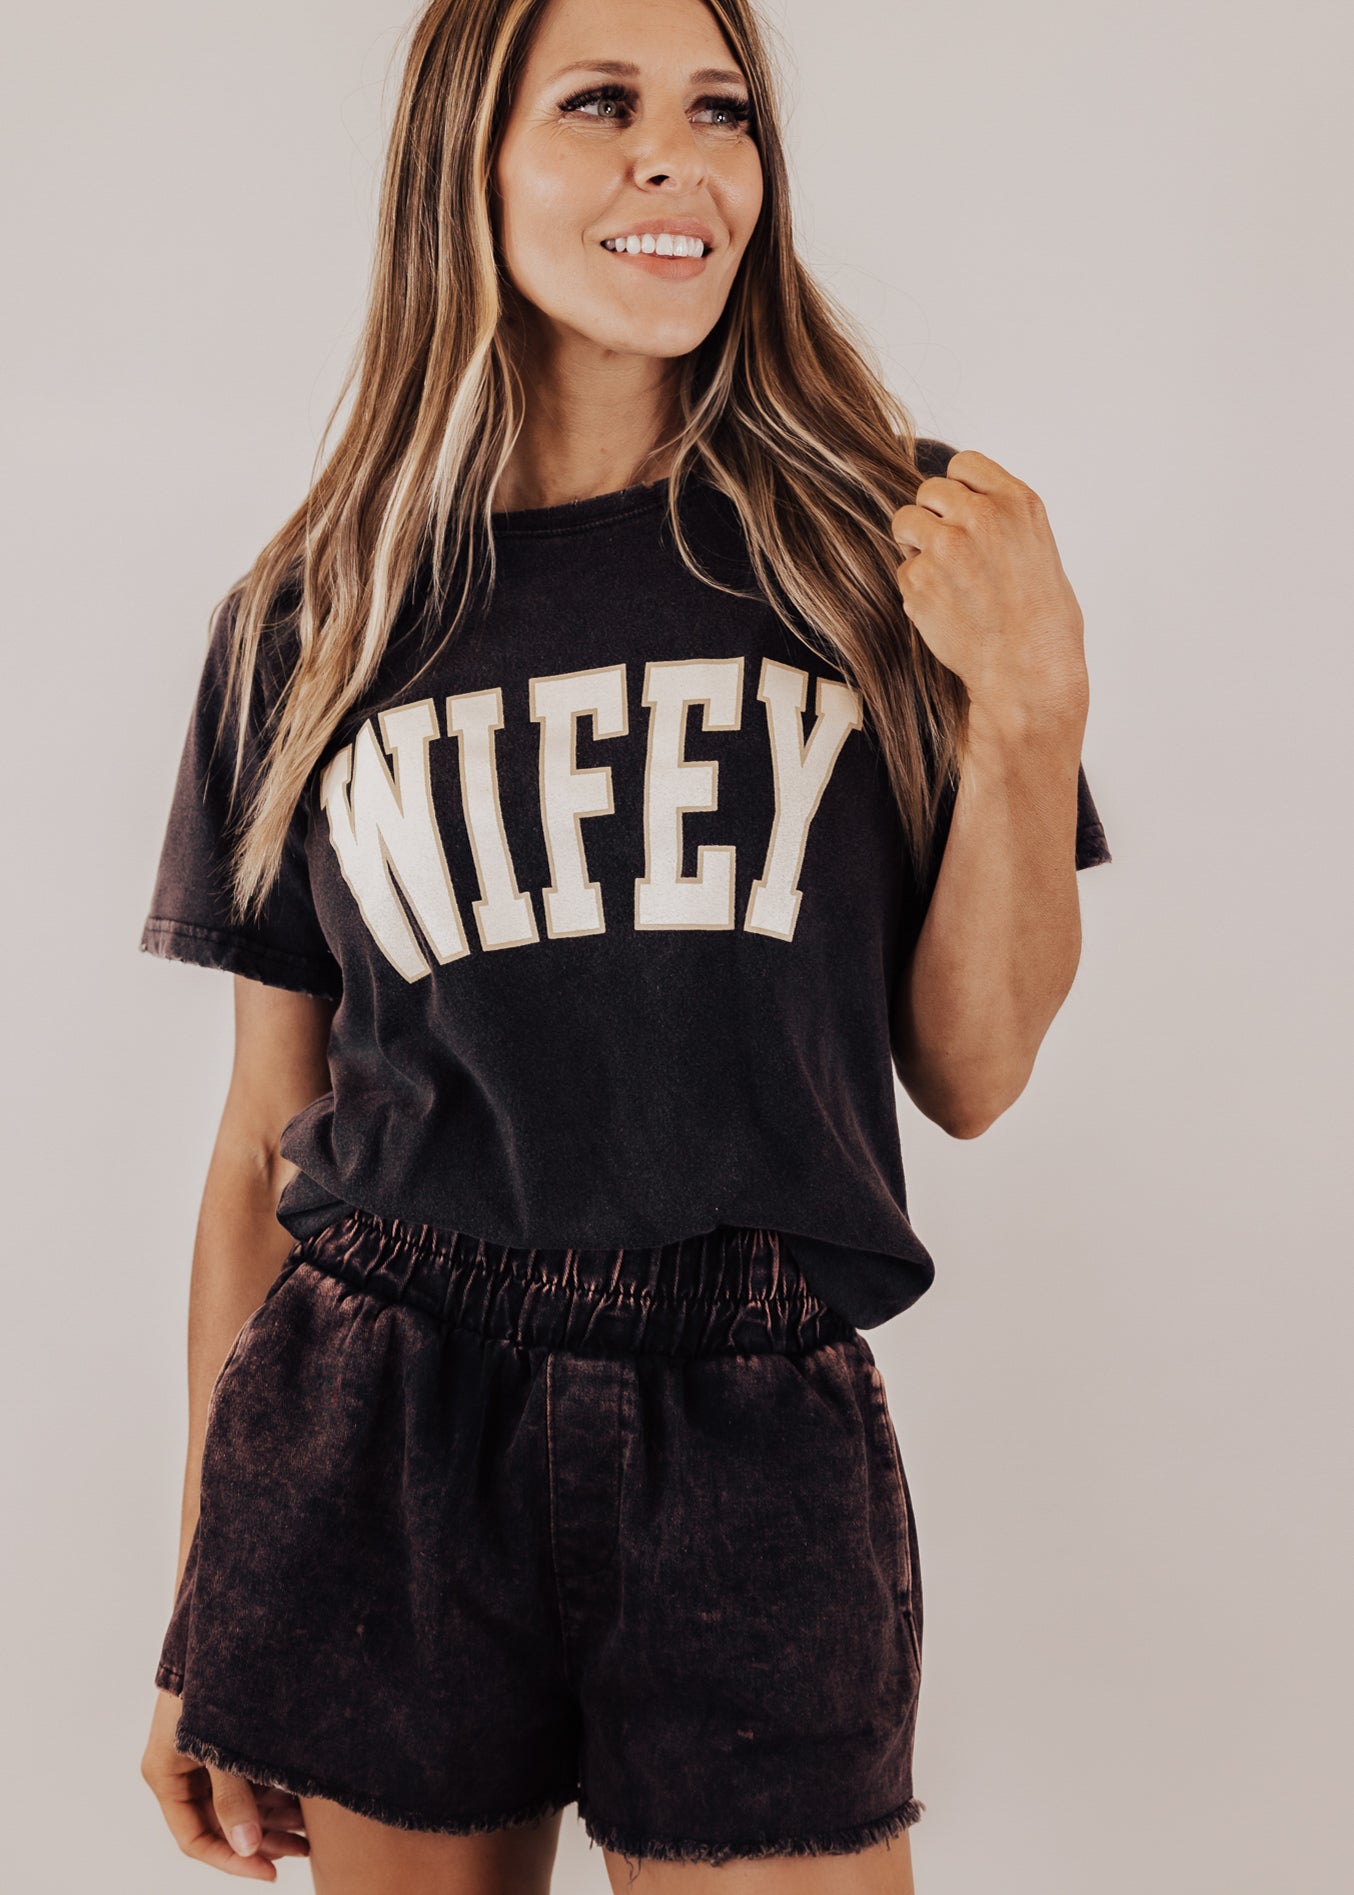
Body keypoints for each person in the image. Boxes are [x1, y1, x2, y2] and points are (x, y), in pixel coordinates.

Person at [136, 0, 1112, 1889]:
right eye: (600, 103)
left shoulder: (889, 551)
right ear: (467, 161)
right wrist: (206, 1610)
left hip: (749, 1416)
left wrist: (1028, 714)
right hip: (381, 1417)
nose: (678, 157)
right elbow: (265, 1138)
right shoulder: (314, 614)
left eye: (720, 111)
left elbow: (974, 1072)